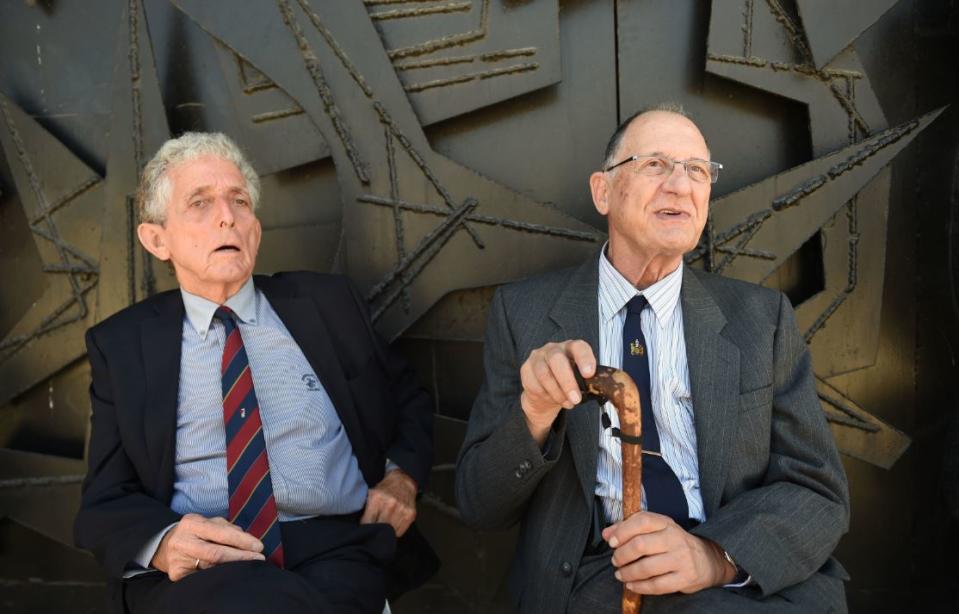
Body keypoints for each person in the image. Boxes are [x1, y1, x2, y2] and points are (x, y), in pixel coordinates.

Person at [455, 105, 850, 613]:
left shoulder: (761, 318)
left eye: (697, 170)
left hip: (745, 577)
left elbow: (817, 487)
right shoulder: (524, 314)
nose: (680, 185)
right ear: (603, 191)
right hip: (599, 578)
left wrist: (713, 556)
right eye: (656, 165)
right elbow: (479, 504)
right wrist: (535, 412)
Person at [74, 132, 436, 614]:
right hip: (208, 564)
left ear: (256, 229)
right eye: (199, 203)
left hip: (336, 547)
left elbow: (407, 396)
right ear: (157, 239)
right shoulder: (123, 346)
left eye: (239, 201)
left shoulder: (327, 306)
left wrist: (401, 479)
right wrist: (164, 543)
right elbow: (106, 497)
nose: (228, 215)